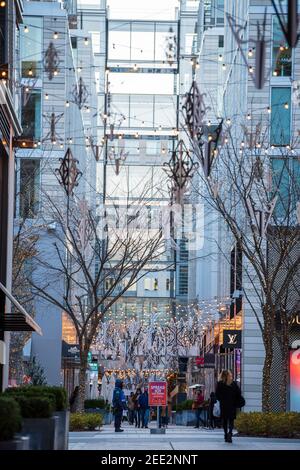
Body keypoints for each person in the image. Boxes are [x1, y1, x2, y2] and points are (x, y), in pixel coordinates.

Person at [215, 369, 242, 443]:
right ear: (229, 375)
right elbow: (238, 393)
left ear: (222, 375)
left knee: (225, 420)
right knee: (231, 420)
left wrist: (222, 399)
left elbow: (217, 394)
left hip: (224, 405)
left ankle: (225, 434)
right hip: (232, 404)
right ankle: (230, 432)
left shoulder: (220, 383)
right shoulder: (233, 384)